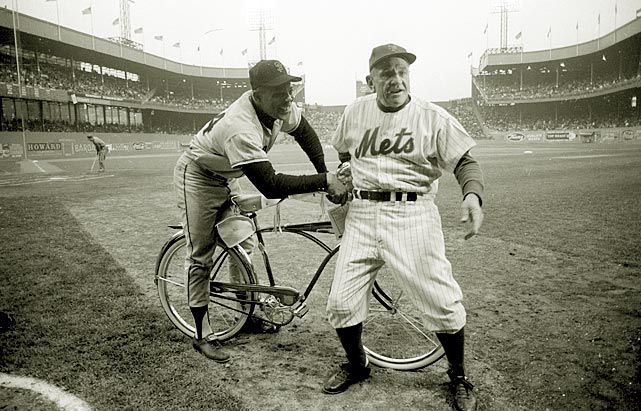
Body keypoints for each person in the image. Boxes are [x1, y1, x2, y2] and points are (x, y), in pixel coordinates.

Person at [323, 44, 484, 411]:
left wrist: (472, 196)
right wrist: (348, 172)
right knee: (340, 302)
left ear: (408, 76)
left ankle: (457, 374)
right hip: (363, 214)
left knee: (442, 301)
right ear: (371, 80)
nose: (395, 79)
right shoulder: (354, 112)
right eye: (386, 73)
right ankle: (357, 365)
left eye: (401, 72)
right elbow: (343, 152)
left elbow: (465, 162)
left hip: (412, 214)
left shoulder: (432, 117)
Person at [173, 59, 348, 364]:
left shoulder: (280, 107)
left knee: (243, 242)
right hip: (198, 177)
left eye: (289, 89)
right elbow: (270, 184)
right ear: (257, 93)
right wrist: (325, 181)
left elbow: (306, 134)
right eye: (279, 91)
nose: (288, 97)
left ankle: (247, 311)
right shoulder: (239, 126)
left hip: (228, 176)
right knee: (201, 254)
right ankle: (202, 335)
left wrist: (324, 174)